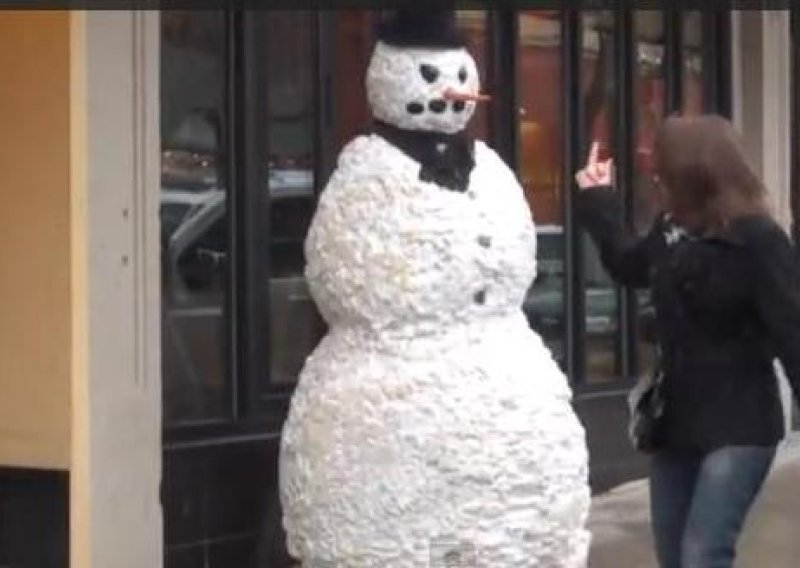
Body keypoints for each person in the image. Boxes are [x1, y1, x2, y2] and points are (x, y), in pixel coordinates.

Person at [574, 114, 800, 568]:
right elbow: (626, 264)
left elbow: (792, 332)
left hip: (739, 425)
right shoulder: (671, 232)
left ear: (695, 172)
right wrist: (598, 198)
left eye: (662, 169)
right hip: (676, 424)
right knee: (674, 556)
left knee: (703, 554)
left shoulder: (759, 241)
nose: (655, 176)